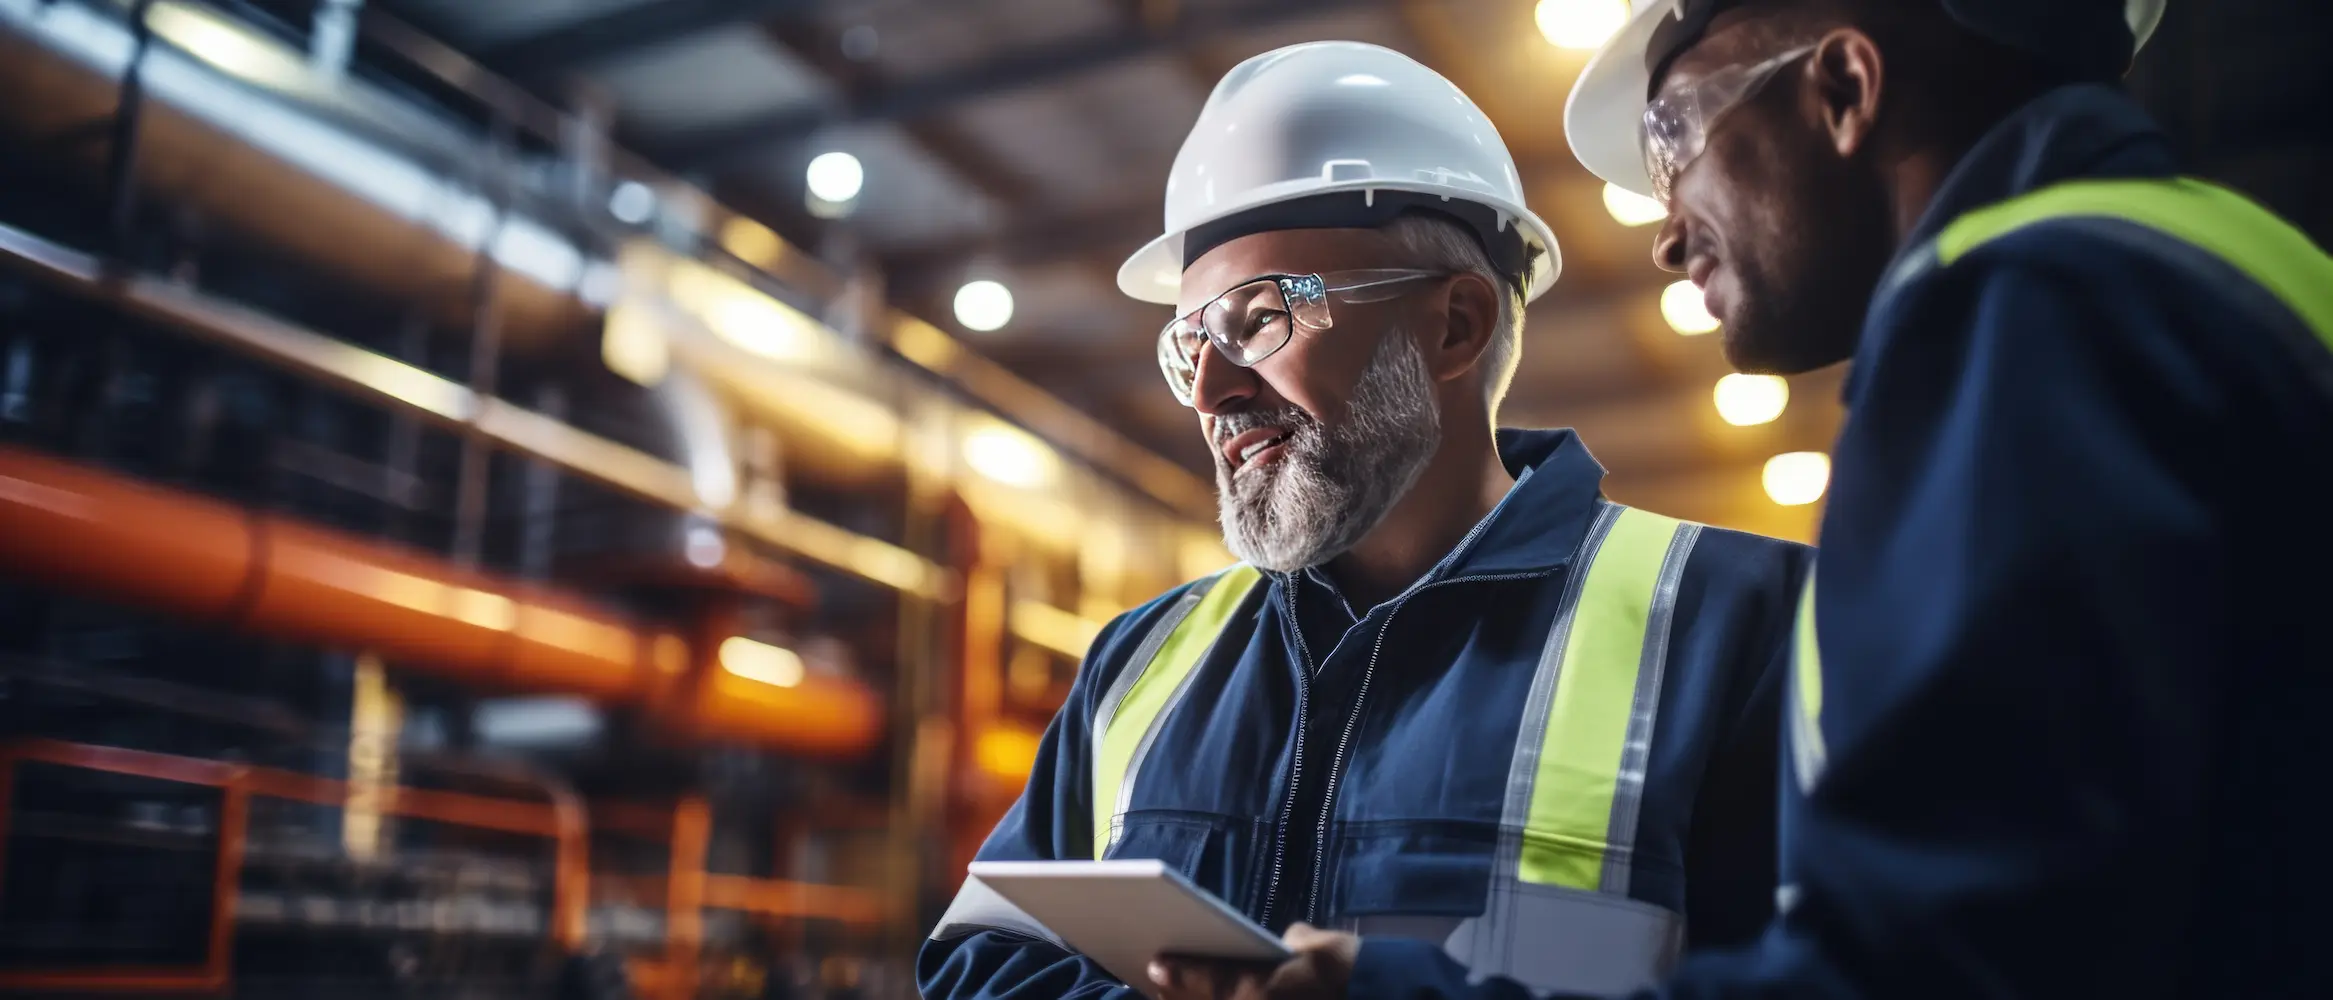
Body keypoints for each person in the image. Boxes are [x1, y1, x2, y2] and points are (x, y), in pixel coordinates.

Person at [1149, 0, 2333, 998]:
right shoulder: (2215, 273)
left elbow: (1944, 959)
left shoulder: (2036, 312)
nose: (1664, 234)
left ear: (1842, 86)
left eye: (1673, 136)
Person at [917, 40, 1813, 1000]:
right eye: (1188, 348)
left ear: (1455, 326)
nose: (1211, 391)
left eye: (1256, 319)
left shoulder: (1746, 628)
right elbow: (979, 964)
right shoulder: (1139, 663)